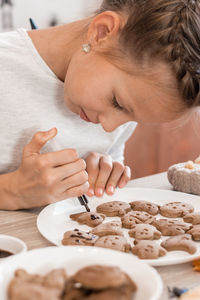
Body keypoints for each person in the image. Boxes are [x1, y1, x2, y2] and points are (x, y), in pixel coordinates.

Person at [0, 0, 199, 210]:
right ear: (101, 32)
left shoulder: (123, 103)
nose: (109, 127)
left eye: (133, 119)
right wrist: (12, 191)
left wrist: (100, 174)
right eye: (117, 102)